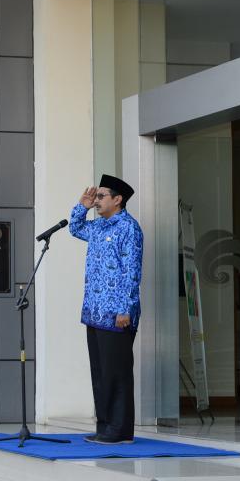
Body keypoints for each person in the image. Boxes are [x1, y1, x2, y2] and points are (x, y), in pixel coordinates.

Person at [70, 175, 144, 445]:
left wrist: (126, 309)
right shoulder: (99, 226)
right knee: (100, 372)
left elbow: (132, 272)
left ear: (118, 199)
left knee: (117, 373)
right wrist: (83, 205)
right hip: (95, 312)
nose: (97, 201)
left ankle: (120, 430)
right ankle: (105, 426)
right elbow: (75, 228)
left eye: (101, 196)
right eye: (96, 197)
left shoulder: (129, 228)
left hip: (117, 314)